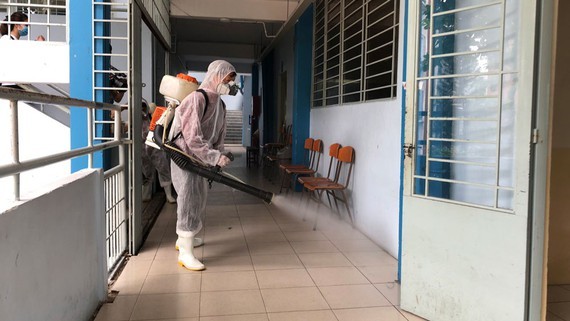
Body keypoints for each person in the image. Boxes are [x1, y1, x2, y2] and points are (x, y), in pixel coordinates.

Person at [169, 60, 237, 271]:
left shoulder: (221, 105)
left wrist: (219, 153)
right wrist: (213, 156)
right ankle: (185, 253)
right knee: (188, 198)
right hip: (185, 156)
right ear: (216, 76)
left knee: (198, 198)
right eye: (228, 79)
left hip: (200, 159)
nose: (231, 84)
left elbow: (218, 135)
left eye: (233, 80)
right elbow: (191, 137)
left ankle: (184, 239)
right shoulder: (197, 99)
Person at [141, 101, 176, 203]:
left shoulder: (154, 113)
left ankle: (168, 195)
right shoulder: (136, 119)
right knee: (146, 171)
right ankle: (146, 194)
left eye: (144, 108)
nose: (143, 111)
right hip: (143, 148)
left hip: (156, 146)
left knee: (163, 169)